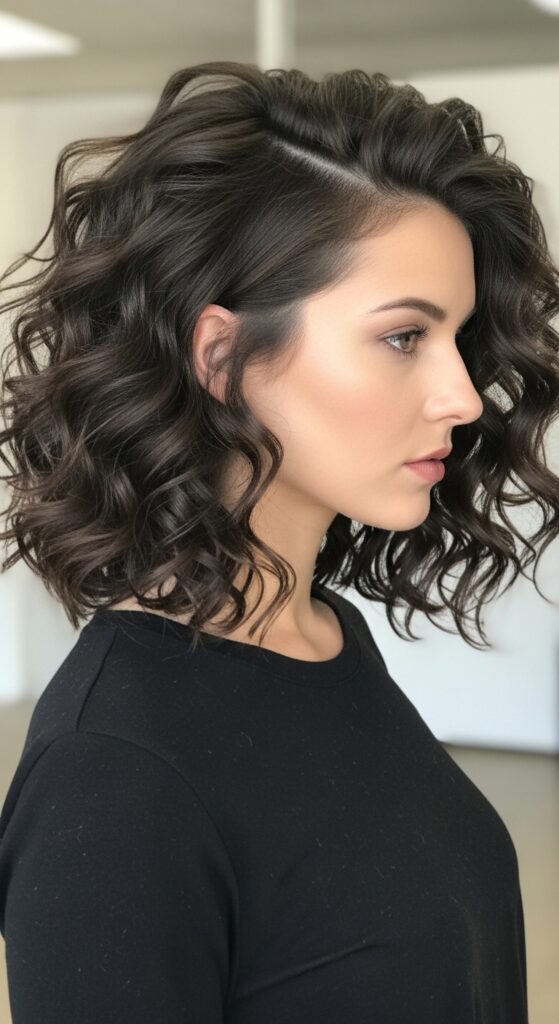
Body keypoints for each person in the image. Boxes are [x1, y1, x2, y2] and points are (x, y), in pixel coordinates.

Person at [1, 58, 557, 1022]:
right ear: (222, 357)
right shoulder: (113, 774)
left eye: (457, 339)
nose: (463, 397)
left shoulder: (321, 637)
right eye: (402, 337)